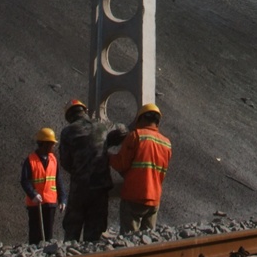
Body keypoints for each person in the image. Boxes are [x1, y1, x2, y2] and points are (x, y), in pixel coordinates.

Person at [109, 103, 172, 233]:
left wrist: (107, 156)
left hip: (133, 195)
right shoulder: (166, 143)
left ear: (141, 118)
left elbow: (121, 164)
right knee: (147, 240)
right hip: (154, 198)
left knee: (129, 239)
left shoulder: (135, 136)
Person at [58, 99, 111, 242]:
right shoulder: (102, 127)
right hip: (100, 186)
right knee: (95, 230)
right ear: (84, 111)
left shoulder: (68, 132)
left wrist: (79, 171)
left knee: (72, 227)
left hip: (79, 187)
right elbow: (122, 131)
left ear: (69, 116)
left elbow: (65, 161)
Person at [21, 127, 67, 243]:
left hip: (50, 203)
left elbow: (58, 179)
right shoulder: (30, 160)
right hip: (36, 204)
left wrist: (62, 199)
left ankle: (47, 255)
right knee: (35, 235)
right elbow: (24, 180)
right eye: (52, 144)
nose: (54, 146)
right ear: (44, 144)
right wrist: (33, 195)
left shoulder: (53, 159)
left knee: (48, 235)